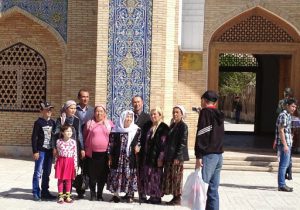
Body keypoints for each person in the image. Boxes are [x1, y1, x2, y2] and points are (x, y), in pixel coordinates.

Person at [195, 90, 224, 210]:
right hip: (218, 156)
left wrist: (199, 155)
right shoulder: (218, 113)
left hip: (208, 155)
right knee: (213, 190)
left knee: (202, 188)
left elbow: (203, 134)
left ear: (204, 101)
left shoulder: (205, 112)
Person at [107, 110, 141, 203]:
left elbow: (139, 142)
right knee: (116, 175)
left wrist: (139, 146)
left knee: (129, 175)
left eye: (130, 117)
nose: (129, 119)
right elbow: (111, 144)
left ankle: (129, 195)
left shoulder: (136, 130)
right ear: (122, 117)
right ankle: (116, 195)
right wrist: (109, 157)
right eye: (127, 117)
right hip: (117, 157)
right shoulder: (115, 130)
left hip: (130, 158)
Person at [53, 100, 85, 198]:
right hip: (62, 149)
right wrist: (54, 148)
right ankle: (61, 194)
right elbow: (55, 134)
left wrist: (82, 148)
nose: (73, 110)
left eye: (75, 108)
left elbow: (79, 135)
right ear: (66, 109)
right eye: (71, 108)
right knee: (62, 173)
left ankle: (68, 193)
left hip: (73, 149)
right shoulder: (60, 119)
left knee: (72, 171)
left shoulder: (77, 120)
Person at [84, 104, 114, 201]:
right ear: (94, 113)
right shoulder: (89, 123)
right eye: (97, 111)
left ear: (105, 113)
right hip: (92, 153)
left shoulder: (109, 123)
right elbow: (85, 136)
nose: (99, 113)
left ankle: (100, 194)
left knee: (102, 175)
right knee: (92, 174)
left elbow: (113, 138)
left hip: (105, 154)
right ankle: (93, 194)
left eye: (101, 111)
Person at [162, 105, 189, 205]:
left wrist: (178, 157)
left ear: (182, 114)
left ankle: (177, 197)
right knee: (171, 176)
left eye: (177, 112)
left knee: (176, 177)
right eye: (174, 112)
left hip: (177, 157)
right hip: (170, 155)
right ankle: (174, 196)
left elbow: (183, 142)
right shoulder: (173, 125)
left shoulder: (183, 126)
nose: (175, 114)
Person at [142, 107, 169, 204]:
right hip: (149, 156)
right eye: (151, 114)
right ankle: (152, 195)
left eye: (155, 114)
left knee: (156, 177)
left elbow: (163, 144)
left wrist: (161, 157)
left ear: (160, 115)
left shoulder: (164, 127)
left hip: (157, 157)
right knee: (149, 176)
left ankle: (157, 197)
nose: (153, 116)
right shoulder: (150, 126)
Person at [31, 101, 56, 201]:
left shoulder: (52, 122)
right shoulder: (38, 122)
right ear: (41, 110)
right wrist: (35, 151)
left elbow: (55, 137)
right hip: (41, 151)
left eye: (50, 109)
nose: (49, 111)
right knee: (38, 172)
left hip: (49, 151)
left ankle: (45, 191)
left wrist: (55, 148)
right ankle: (36, 192)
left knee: (47, 172)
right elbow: (34, 138)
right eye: (47, 109)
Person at [131, 95, 151, 202]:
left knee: (141, 172)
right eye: (134, 102)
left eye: (138, 102)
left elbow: (148, 134)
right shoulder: (129, 116)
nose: (137, 104)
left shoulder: (147, 118)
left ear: (142, 103)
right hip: (130, 149)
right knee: (131, 171)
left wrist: (140, 145)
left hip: (142, 150)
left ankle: (142, 193)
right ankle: (130, 192)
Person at [75, 89, 94, 198]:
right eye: (83, 96)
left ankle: (82, 189)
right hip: (75, 143)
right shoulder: (73, 109)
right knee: (74, 167)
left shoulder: (92, 110)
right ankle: (71, 188)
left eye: (87, 96)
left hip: (87, 143)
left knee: (86, 168)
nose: (85, 98)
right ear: (79, 97)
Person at [275, 98, 297, 192]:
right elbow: (281, 130)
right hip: (285, 144)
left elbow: (286, 130)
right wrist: (285, 145)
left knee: (285, 164)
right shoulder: (283, 115)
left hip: (288, 143)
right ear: (287, 106)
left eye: (295, 107)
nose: (294, 108)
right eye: (292, 106)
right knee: (284, 165)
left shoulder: (288, 115)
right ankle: (282, 185)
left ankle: (282, 183)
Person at [55, 125, 78, 204]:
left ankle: (67, 196)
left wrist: (75, 165)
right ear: (62, 132)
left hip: (70, 162)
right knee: (60, 179)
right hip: (61, 161)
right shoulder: (58, 141)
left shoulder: (73, 142)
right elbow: (57, 153)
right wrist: (55, 163)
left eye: (70, 131)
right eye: (67, 131)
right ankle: (61, 196)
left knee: (68, 180)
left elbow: (75, 154)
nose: (69, 133)